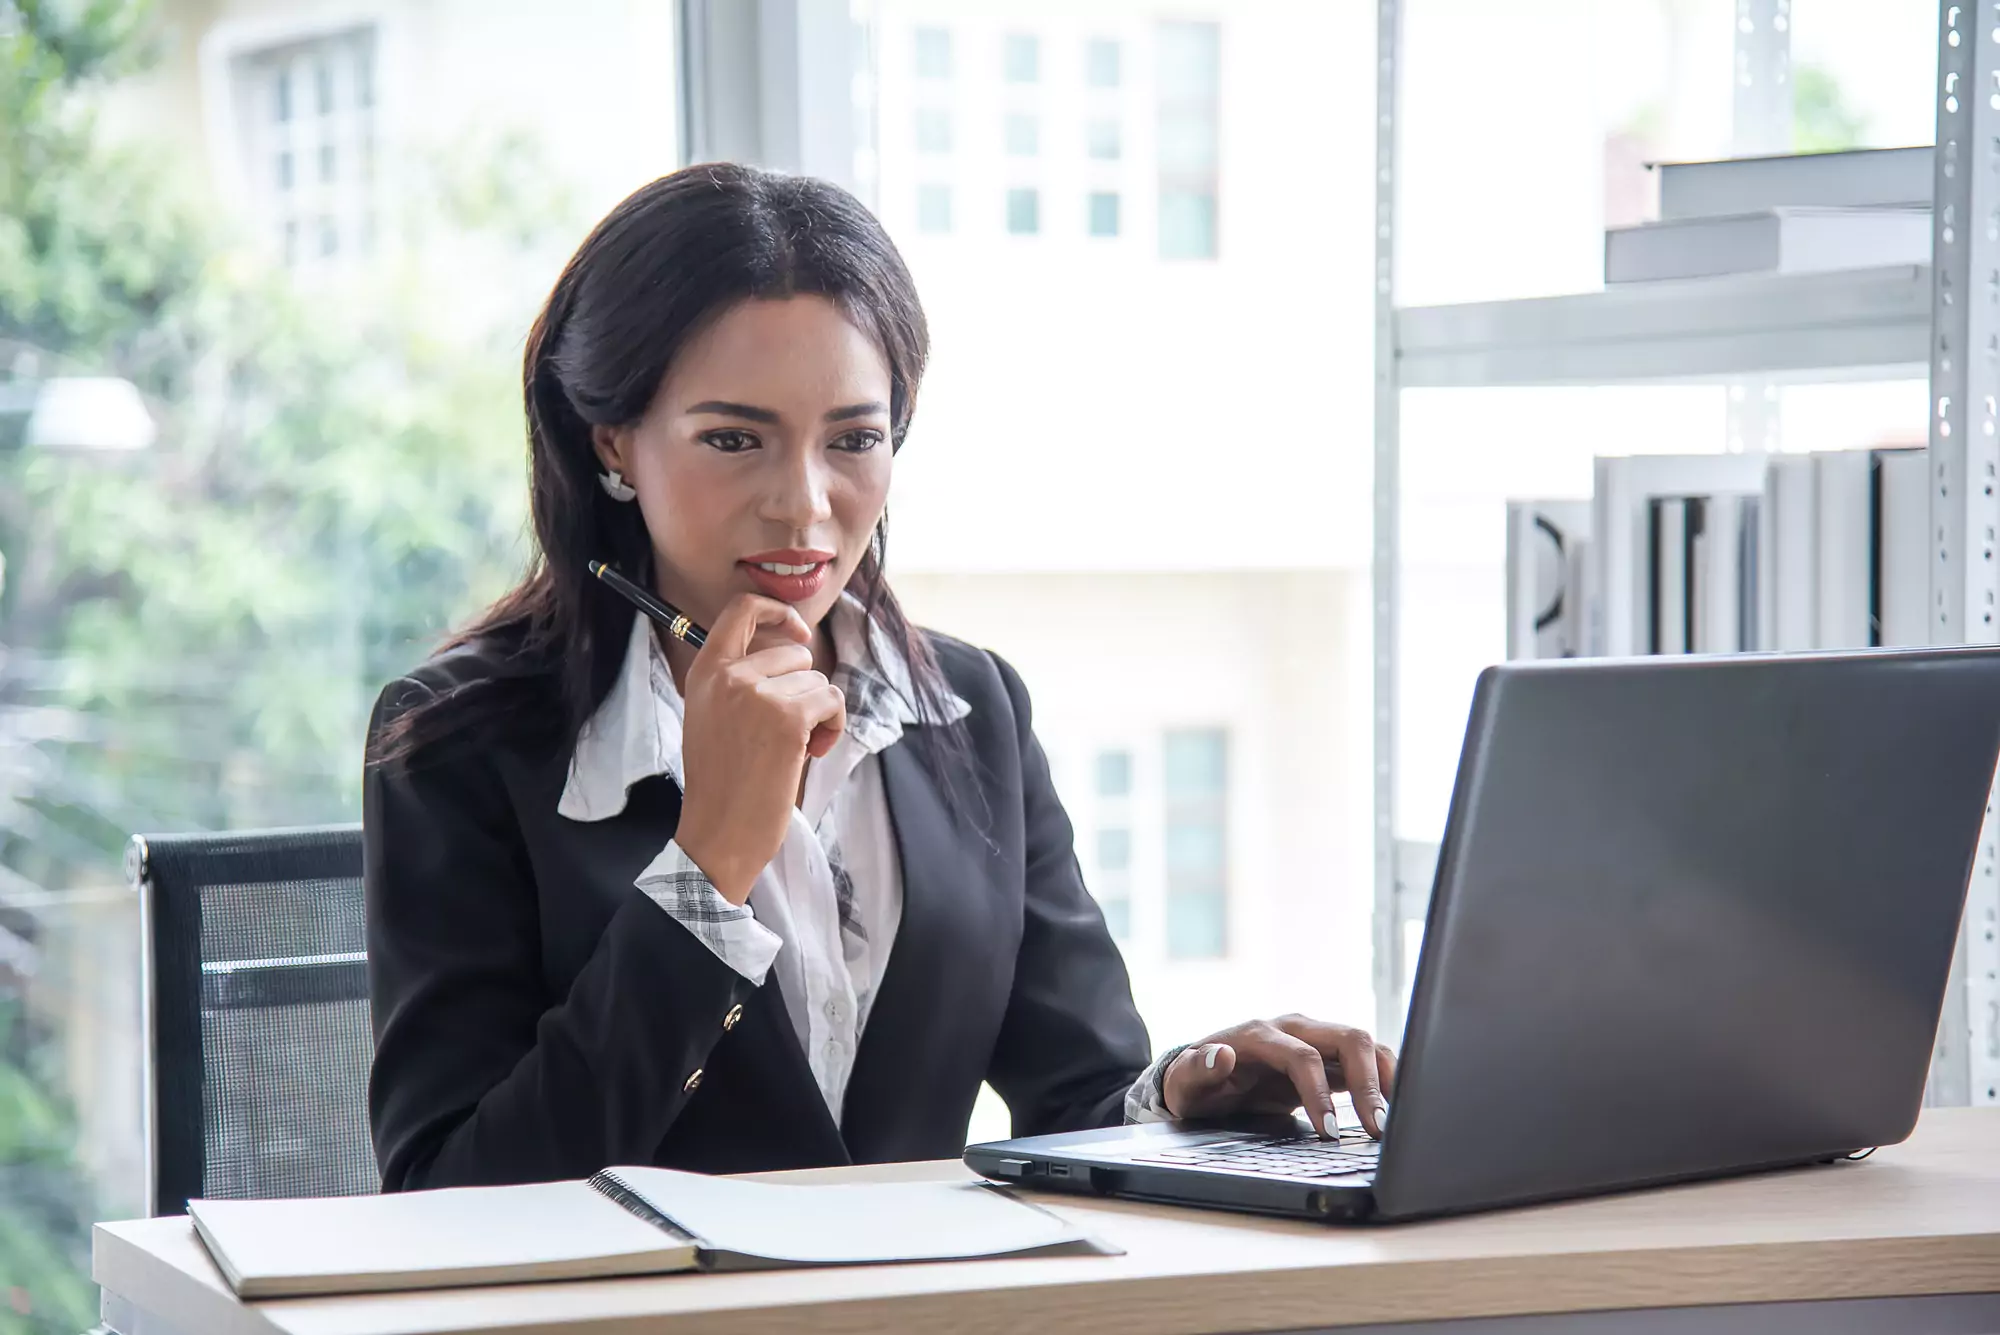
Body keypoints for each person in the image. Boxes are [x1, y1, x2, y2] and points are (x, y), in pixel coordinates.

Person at [362, 163, 1394, 1192]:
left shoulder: (968, 707)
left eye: (853, 439)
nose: (802, 507)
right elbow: (451, 1194)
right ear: (612, 445)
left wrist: (1182, 1097)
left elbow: (1079, 1092)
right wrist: (709, 859)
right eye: (733, 438)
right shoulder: (457, 740)